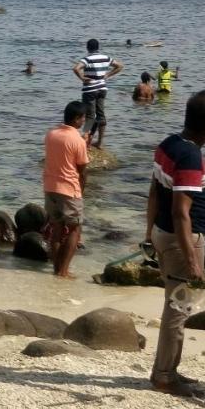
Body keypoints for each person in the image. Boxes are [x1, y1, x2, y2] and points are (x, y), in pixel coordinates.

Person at [144, 90, 205, 397]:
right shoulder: (191, 155)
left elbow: (154, 192)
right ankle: (164, 376)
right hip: (183, 242)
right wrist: (193, 261)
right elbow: (181, 212)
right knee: (177, 311)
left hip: (163, 235)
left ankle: (169, 370)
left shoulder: (169, 144)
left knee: (176, 307)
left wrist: (147, 233)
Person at [42, 101, 90, 279]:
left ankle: (56, 268)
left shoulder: (51, 134)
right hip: (69, 189)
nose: (84, 121)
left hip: (50, 187)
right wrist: (85, 144)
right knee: (75, 230)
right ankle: (63, 271)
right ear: (77, 118)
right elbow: (82, 169)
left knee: (56, 228)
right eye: (83, 117)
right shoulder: (77, 140)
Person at [73, 39, 123, 148]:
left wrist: (82, 78)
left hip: (90, 90)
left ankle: (85, 143)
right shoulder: (105, 57)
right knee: (101, 115)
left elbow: (76, 68)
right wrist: (108, 75)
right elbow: (120, 66)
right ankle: (100, 142)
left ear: (87, 48)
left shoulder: (87, 59)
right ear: (98, 47)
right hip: (102, 89)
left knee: (89, 116)